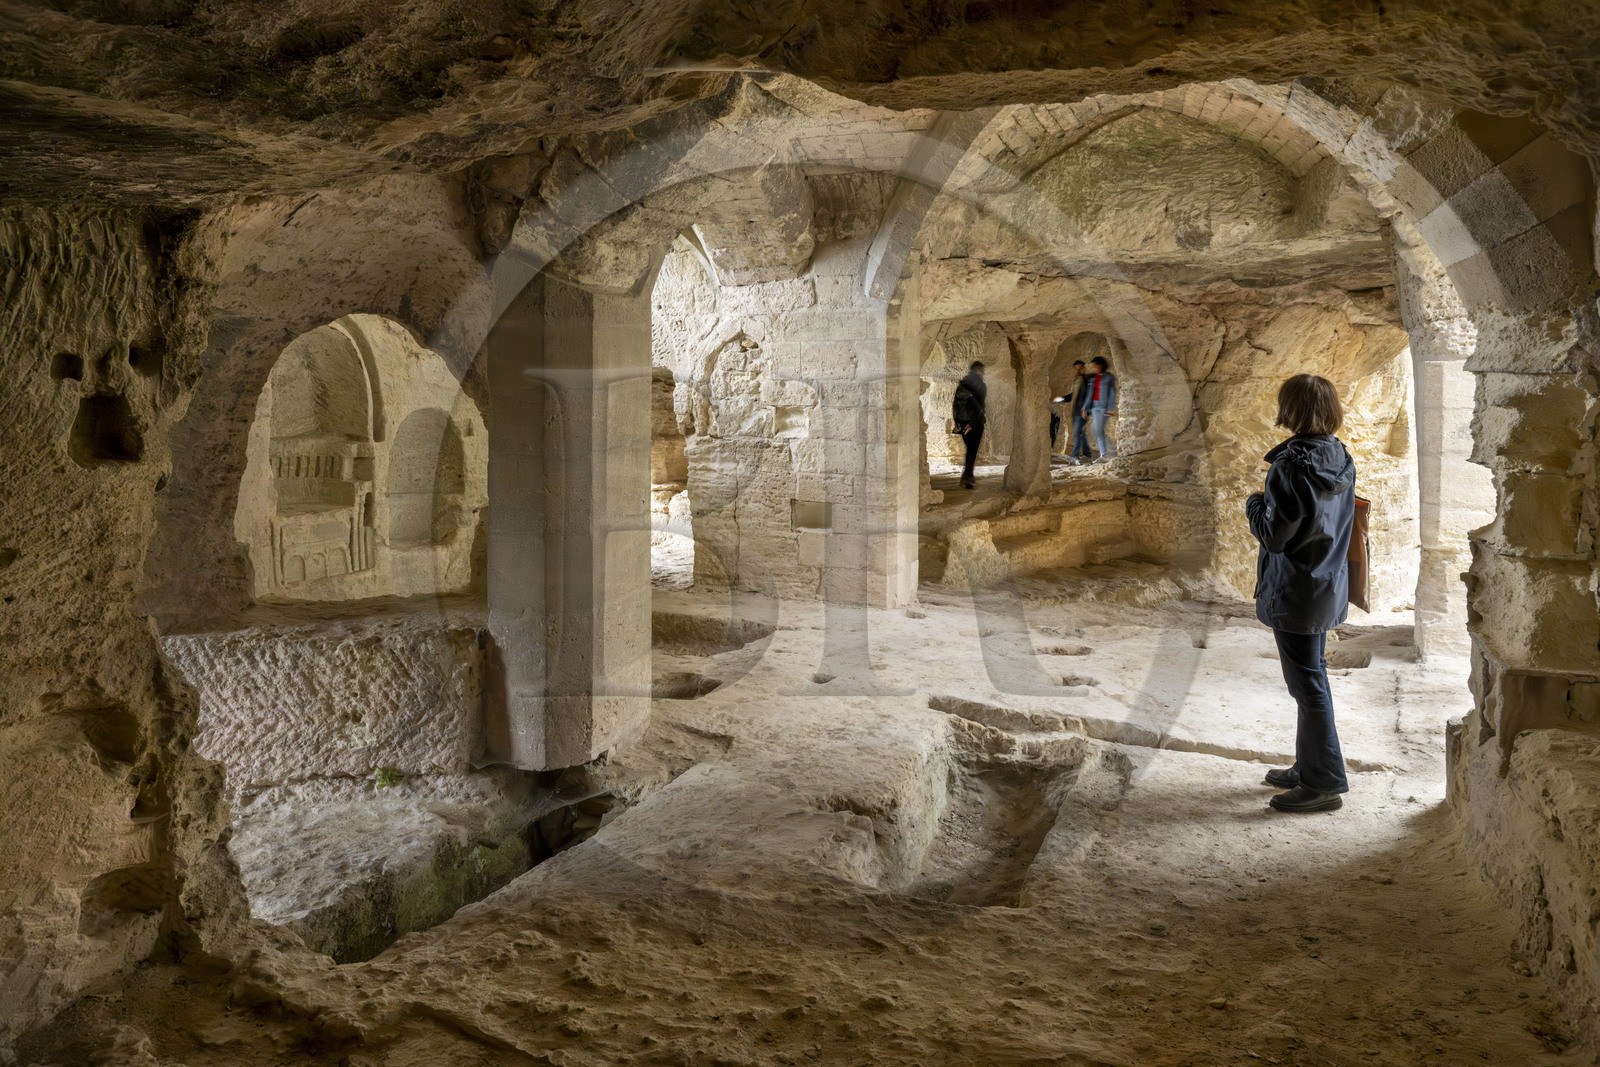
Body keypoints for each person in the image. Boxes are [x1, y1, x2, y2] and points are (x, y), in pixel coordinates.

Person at [1247, 374, 1356, 814]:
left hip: (1295, 590)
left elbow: (1274, 535)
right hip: (1325, 585)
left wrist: (1254, 503)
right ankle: (1308, 765)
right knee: (1309, 680)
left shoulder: (1290, 464)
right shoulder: (1340, 455)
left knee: (1308, 684)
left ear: (1290, 409)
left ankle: (1323, 783)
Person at [952, 360, 986, 489]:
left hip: (963, 422)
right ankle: (968, 477)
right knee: (972, 450)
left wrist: (958, 423)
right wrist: (977, 422)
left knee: (970, 449)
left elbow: (955, 406)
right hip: (974, 424)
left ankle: (967, 475)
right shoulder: (980, 385)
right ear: (979, 370)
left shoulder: (962, 384)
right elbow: (979, 407)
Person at [1080, 356, 1117, 461]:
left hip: (1104, 408)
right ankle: (1107, 453)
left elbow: (1112, 393)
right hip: (1095, 408)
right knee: (1094, 431)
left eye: (1094, 366)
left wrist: (1110, 408)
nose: (1093, 368)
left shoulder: (1109, 377)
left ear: (1100, 365)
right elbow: (1090, 394)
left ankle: (1105, 454)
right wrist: (1084, 408)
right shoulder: (1093, 379)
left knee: (1098, 431)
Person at [1062, 360, 1091, 464]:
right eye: (1076, 369)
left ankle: (1075, 457)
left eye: (1080, 368)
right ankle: (1088, 455)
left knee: (1076, 434)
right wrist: (1062, 399)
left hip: (1082, 411)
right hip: (1076, 411)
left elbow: (1089, 396)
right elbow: (1074, 395)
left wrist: (1085, 409)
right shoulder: (1077, 380)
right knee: (1080, 434)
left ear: (1083, 368)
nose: (1078, 370)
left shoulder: (1087, 380)